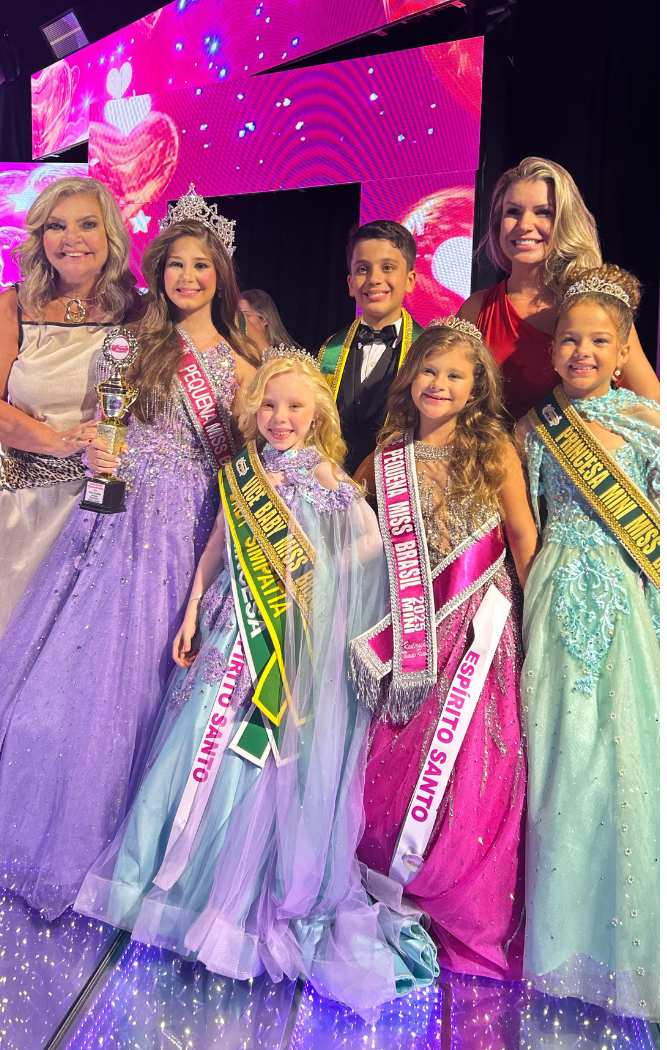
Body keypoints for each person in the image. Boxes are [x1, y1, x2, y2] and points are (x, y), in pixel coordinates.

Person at [74, 353, 437, 1016]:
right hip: (225, 629)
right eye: (270, 406)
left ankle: (227, 908)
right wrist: (191, 606)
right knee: (190, 749)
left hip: (278, 651)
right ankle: (162, 891)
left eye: (295, 407)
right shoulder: (243, 470)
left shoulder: (327, 476)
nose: (279, 418)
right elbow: (218, 539)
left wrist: (318, 604)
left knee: (248, 765)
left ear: (319, 414)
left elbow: (367, 551)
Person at [0, 188, 257, 919]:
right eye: (173, 265)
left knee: (153, 674)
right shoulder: (137, 340)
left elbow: (255, 448)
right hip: (114, 517)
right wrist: (100, 453)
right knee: (83, 667)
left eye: (200, 267)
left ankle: (138, 839)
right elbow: (111, 416)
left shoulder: (243, 358)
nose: (185, 279)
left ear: (221, 275)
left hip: (189, 526)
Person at [350, 318, 535, 985]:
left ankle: (449, 901)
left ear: (476, 387)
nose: (439, 383)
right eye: (430, 369)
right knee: (388, 757)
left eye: (456, 374)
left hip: (479, 633)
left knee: (475, 771)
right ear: (412, 376)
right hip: (407, 630)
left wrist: (532, 618)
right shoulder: (387, 456)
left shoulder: (494, 451)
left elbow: (520, 536)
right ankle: (387, 888)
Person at [516, 264, 658, 1019]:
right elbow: (528, 524)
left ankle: (624, 944)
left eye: (599, 341)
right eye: (569, 339)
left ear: (623, 347)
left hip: (629, 598)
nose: (581, 352)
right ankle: (557, 939)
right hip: (555, 589)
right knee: (560, 755)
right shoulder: (534, 427)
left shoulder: (648, 423)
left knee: (623, 751)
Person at [0, 176, 139, 634]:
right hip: (26, 507)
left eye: (87, 224)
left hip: (111, 508)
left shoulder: (139, 312)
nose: (72, 239)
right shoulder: (12, 306)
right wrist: (57, 441)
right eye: (57, 226)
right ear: (41, 238)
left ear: (110, 236)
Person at [455, 158, 659, 419]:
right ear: (497, 223)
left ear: (565, 221)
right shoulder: (477, 309)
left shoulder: (598, 307)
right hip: (492, 458)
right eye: (513, 212)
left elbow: (653, 410)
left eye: (543, 212)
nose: (524, 225)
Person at [319, 220, 422, 475]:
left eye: (388, 267)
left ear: (410, 280)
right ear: (351, 283)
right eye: (363, 269)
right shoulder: (328, 351)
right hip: (335, 496)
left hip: (400, 498)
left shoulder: (428, 352)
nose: (374, 279)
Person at [237, 289, 296, 357]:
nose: (239, 321)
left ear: (265, 319)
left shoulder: (283, 354)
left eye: (246, 316)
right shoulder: (235, 351)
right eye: (237, 317)